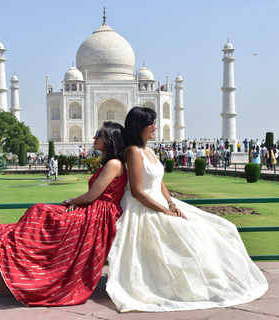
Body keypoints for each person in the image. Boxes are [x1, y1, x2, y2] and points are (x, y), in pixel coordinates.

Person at [106, 107, 268, 313]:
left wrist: (171, 203)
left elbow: (159, 182)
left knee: (216, 226)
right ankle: (199, 284)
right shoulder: (133, 152)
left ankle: (212, 281)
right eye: (151, 124)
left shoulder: (149, 150)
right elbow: (137, 191)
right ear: (140, 127)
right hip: (142, 207)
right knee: (188, 231)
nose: (155, 127)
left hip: (159, 202)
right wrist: (165, 212)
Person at [0, 122, 128, 307]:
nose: (95, 137)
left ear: (110, 138)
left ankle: (2, 247)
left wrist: (70, 200)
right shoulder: (111, 162)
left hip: (99, 214)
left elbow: (91, 196)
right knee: (40, 211)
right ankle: (2, 246)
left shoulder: (114, 163)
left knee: (41, 211)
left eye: (99, 134)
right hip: (94, 210)